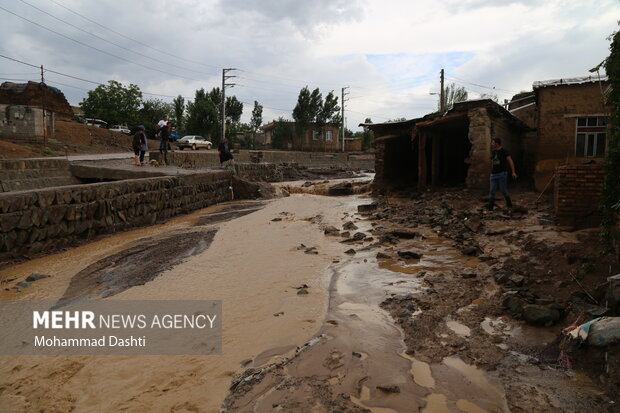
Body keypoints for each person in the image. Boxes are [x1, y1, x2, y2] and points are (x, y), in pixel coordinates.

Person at [488, 137, 517, 210]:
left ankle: (509, 204)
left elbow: (510, 161)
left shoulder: (504, 151)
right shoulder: (493, 152)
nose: (491, 144)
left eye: (493, 142)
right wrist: (491, 171)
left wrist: (513, 172)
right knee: (492, 190)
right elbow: (492, 162)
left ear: (497, 143)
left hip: (502, 174)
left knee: (503, 190)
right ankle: (490, 208)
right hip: (493, 175)